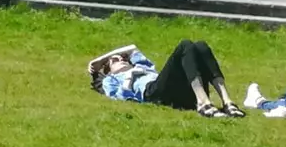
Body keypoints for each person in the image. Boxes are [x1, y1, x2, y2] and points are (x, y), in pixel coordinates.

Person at [90, 41, 243, 116]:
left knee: (200, 46)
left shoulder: (143, 66)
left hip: (179, 93)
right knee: (185, 45)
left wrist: (103, 58)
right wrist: (97, 65)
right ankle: (203, 103)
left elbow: (132, 48)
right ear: (109, 71)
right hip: (153, 93)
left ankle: (228, 102)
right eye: (114, 61)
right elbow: (116, 93)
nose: (121, 60)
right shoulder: (111, 80)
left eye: (123, 58)